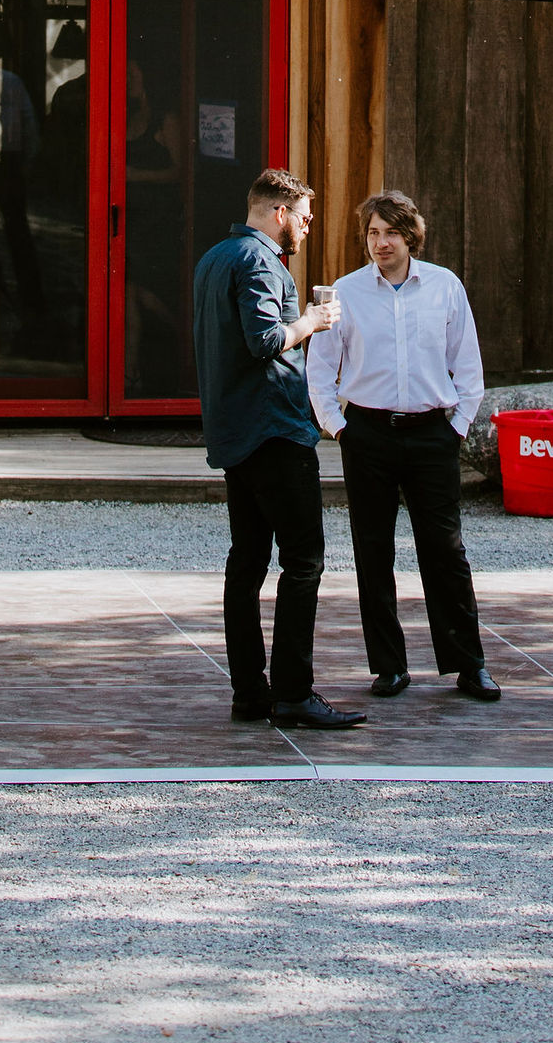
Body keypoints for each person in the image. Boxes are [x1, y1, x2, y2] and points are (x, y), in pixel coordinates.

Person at [306, 189, 500, 705]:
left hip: (432, 434)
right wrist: (338, 428)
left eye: (391, 232)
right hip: (366, 434)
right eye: (372, 232)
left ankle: (468, 664)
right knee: (373, 552)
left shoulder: (444, 286)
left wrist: (456, 427)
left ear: (410, 234)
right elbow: (321, 369)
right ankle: (389, 667)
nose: (381, 242)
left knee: (446, 551)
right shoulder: (345, 293)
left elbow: (468, 365)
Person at [191, 168, 366, 732]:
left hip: (233, 429)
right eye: (306, 218)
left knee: (246, 564)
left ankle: (250, 692)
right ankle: (292, 693)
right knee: (303, 560)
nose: (308, 230)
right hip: (273, 429)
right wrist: (311, 321)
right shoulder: (260, 260)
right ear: (279, 212)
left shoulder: (214, 257)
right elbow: (264, 340)